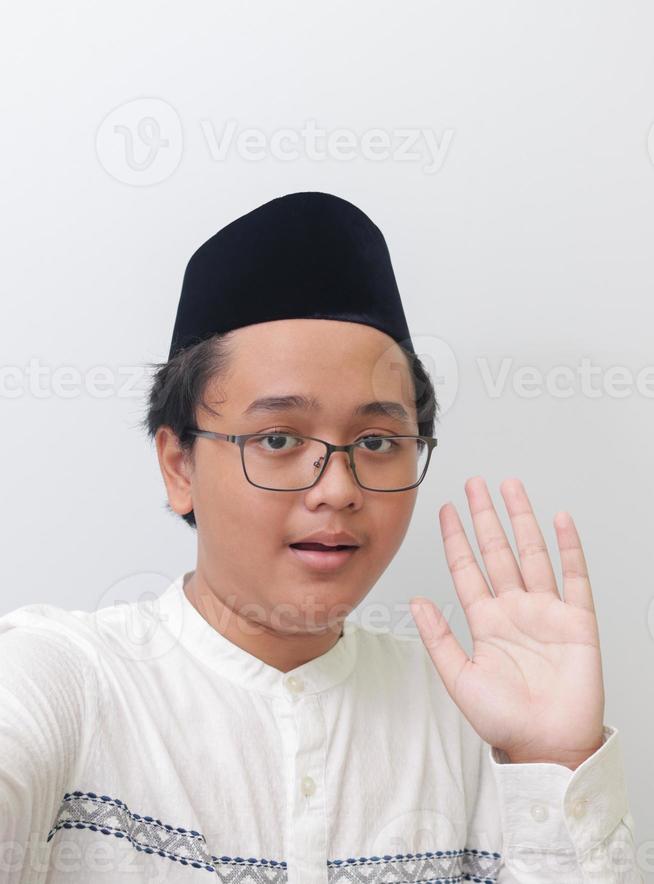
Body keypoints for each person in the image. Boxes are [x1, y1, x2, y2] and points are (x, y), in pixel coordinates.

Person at [0, 191, 641, 882]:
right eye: (278, 438)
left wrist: (553, 760)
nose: (338, 487)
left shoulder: (477, 719)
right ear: (179, 464)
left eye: (375, 440)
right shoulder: (69, 676)